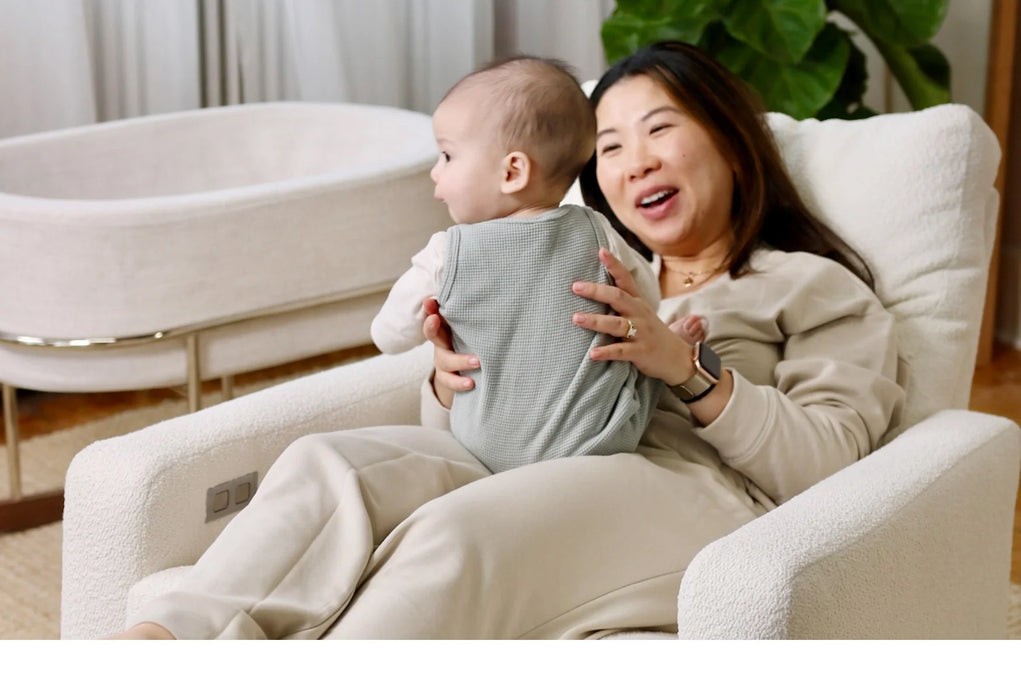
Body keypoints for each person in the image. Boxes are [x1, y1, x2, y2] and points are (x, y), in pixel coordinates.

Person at [111, 41, 904, 640]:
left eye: (660, 129)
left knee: (455, 533)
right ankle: (167, 643)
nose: (634, 162)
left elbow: (828, 463)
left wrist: (688, 372)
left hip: (689, 489)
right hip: (529, 456)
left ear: (732, 142)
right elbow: (483, 427)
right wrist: (449, 381)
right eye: (613, 146)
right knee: (332, 464)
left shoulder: (811, 285)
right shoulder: (570, 263)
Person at [370, 56, 670, 473]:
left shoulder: (446, 253)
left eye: (447, 156)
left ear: (512, 170)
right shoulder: (597, 232)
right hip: (599, 446)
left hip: (483, 451)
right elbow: (648, 300)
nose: (435, 173)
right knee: (639, 367)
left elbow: (388, 336)